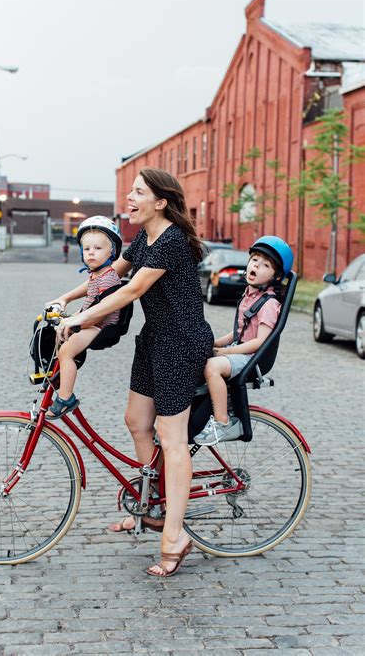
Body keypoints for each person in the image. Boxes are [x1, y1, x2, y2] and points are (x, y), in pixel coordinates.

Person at [55, 168, 214, 577]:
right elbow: (112, 275)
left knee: (171, 436)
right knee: (136, 421)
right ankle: (156, 505)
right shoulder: (143, 238)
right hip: (154, 341)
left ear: (160, 202)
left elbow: (131, 291)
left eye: (138, 191)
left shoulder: (172, 242)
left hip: (181, 345)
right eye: (131, 190)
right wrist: (65, 299)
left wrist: (80, 320)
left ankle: (175, 534)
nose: (129, 197)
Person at [194, 235, 294, 446]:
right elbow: (238, 332)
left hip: (252, 357)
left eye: (265, 264)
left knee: (212, 367)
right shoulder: (250, 295)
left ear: (275, 276)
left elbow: (259, 342)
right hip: (241, 350)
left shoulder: (268, 304)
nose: (256, 265)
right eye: (255, 260)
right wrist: (214, 344)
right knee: (197, 358)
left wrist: (226, 353)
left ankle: (223, 421)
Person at [46, 217, 122, 418]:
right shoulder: (95, 275)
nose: (91, 253)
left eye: (98, 248)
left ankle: (65, 398)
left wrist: (78, 320)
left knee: (67, 352)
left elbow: (102, 309)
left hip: (101, 325)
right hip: (92, 321)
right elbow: (88, 304)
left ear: (112, 252)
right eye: (87, 249)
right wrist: (69, 316)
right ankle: (58, 377)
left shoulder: (109, 277)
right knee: (59, 338)